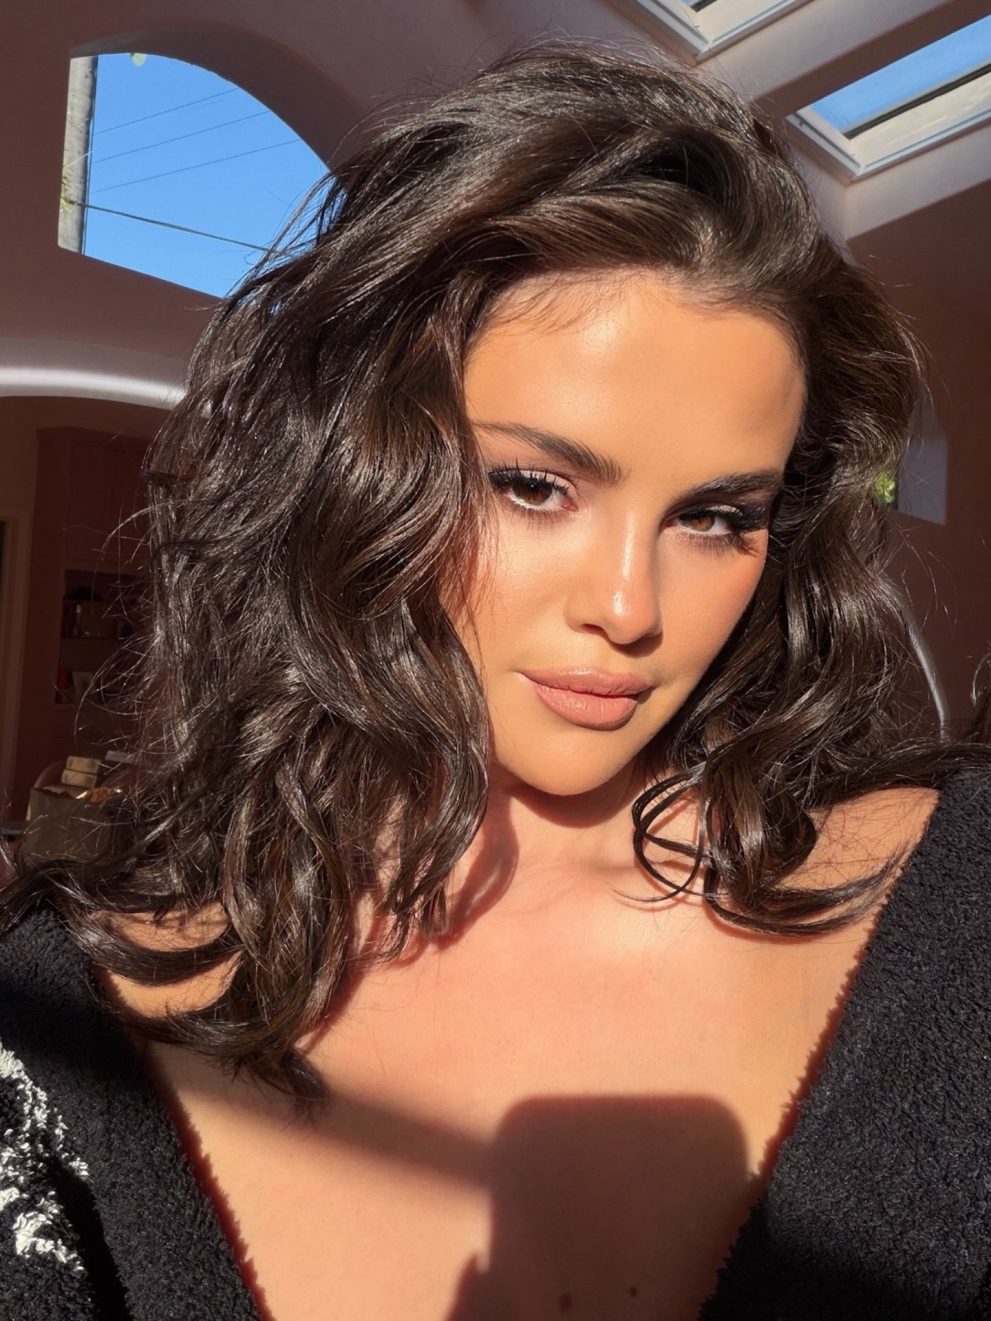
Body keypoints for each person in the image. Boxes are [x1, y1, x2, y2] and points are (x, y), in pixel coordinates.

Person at [1, 39, 990, 1321]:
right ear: (347, 470)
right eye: (532, 485)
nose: (628, 609)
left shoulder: (961, 906)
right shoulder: (60, 1026)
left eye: (714, 516)